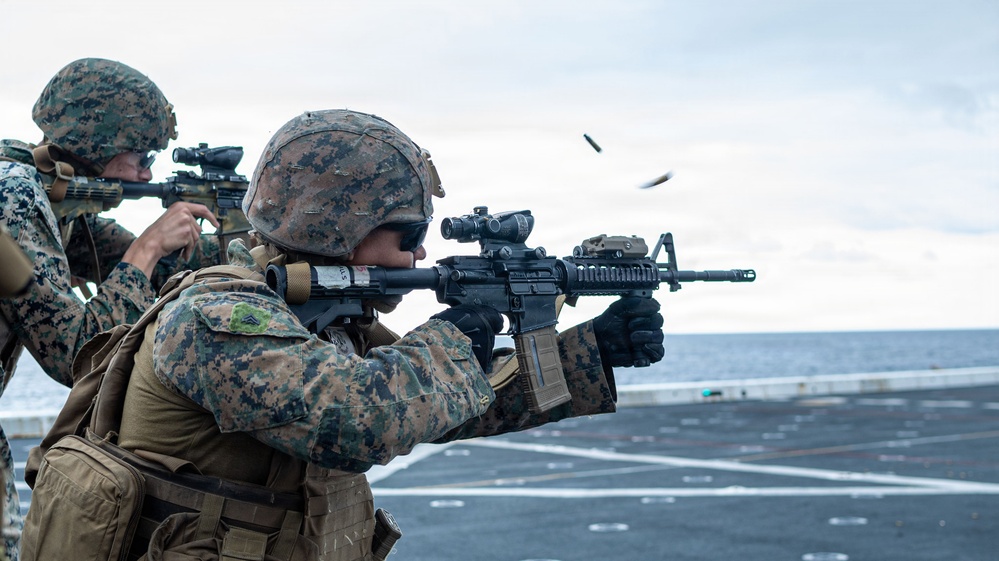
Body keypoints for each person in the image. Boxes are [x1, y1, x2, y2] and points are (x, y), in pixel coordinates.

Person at [24, 109, 665, 561]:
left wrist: (589, 353)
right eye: (409, 236)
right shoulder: (217, 316)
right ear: (338, 228)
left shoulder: (321, 318)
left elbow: (436, 405)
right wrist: (454, 334)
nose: (419, 257)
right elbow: (357, 421)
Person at [0, 58, 222, 560]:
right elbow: (77, 353)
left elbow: (159, 269)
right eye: (140, 157)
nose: (147, 174)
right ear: (98, 143)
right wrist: (148, 247)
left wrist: (248, 240)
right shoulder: (15, 197)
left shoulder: (52, 200)